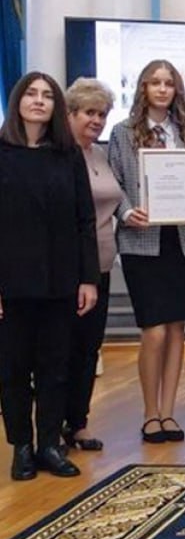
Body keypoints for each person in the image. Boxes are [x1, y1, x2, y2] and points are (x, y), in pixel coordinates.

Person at [0, 73, 98, 480]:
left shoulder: (68, 155)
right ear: (18, 101)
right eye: (30, 94)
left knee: (56, 365)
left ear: (56, 106)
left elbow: (84, 220)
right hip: (11, 281)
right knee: (14, 367)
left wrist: (88, 278)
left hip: (61, 279)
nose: (38, 101)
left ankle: (49, 446)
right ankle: (21, 446)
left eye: (46, 96)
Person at [107, 59, 185, 444]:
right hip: (141, 242)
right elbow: (114, 182)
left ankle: (169, 411)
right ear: (143, 88)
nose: (162, 89)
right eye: (155, 83)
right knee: (155, 331)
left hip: (181, 240)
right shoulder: (122, 132)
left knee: (178, 328)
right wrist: (128, 212)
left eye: (169, 83)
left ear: (176, 90)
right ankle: (149, 413)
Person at [63, 78, 123, 453]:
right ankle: (52, 427)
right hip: (67, 269)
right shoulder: (58, 155)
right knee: (60, 350)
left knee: (88, 349)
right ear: (69, 114)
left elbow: (116, 202)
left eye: (101, 114)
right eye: (89, 113)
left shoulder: (99, 155)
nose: (97, 120)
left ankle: (78, 424)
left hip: (101, 266)